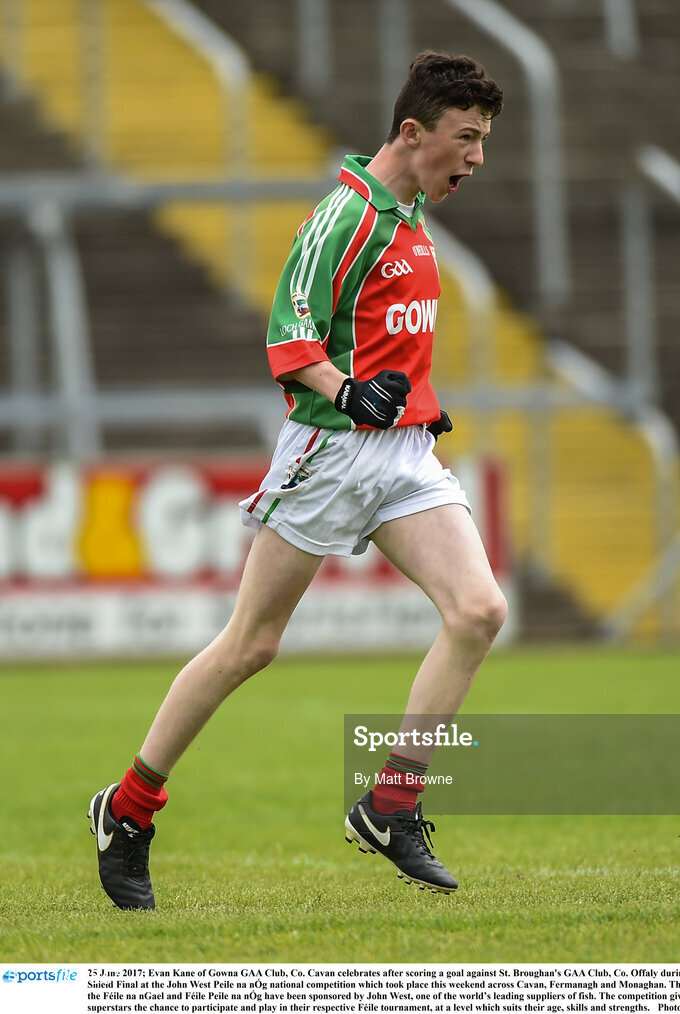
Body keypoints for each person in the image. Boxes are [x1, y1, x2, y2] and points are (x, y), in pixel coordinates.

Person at [89, 51, 506, 909]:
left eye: (483, 142)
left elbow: (388, 340)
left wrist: (414, 400)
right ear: (411, 131)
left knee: (478, 611)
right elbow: (292, 334)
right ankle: (127, 811)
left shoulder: (413, 214)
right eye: (464, 139)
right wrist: (347, 390)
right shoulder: (344, 214)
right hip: (330, 453)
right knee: (252, 644)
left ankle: (392, 804)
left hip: (403, 453)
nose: (474, 157)